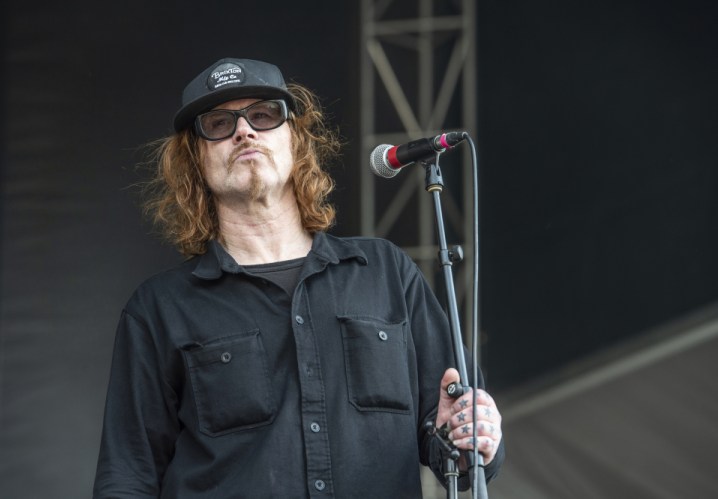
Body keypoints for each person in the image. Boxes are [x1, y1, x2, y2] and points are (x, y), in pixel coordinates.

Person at [93, 57, 504, 498]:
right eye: (218, 123)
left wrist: (468, 439)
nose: (244, 131)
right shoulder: (158, 309)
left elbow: (451, 442)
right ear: (196, 159)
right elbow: (128, 475)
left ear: (296, 140)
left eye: (264, 115)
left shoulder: (386, 272)